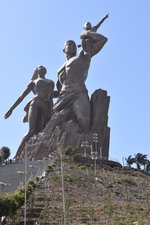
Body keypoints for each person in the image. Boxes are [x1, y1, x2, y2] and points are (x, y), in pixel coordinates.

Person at [53, 24, 108, 132]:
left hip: (78, 93)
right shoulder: (60, 69)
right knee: (51, 124)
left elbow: (103, 40)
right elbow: (58, 90)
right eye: (69, 44)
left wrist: (86, 33)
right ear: (64, 50)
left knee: (84, 121)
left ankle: (86, 146)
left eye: (74, 45)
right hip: (63, 97)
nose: (73, 46)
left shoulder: (83, 56)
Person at [4, 66, 54, 158]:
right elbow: (21, 96)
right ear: (36, 71)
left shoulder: (51, 82)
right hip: (35, 103)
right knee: (31, 131)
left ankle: (42, 152)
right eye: (39, 67)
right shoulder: (33, 82)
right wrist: (11, 109)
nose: (41, 67)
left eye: (43, 67)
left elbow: (51, 97)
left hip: (47, 106)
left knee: (46, 130)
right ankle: (17, 155)